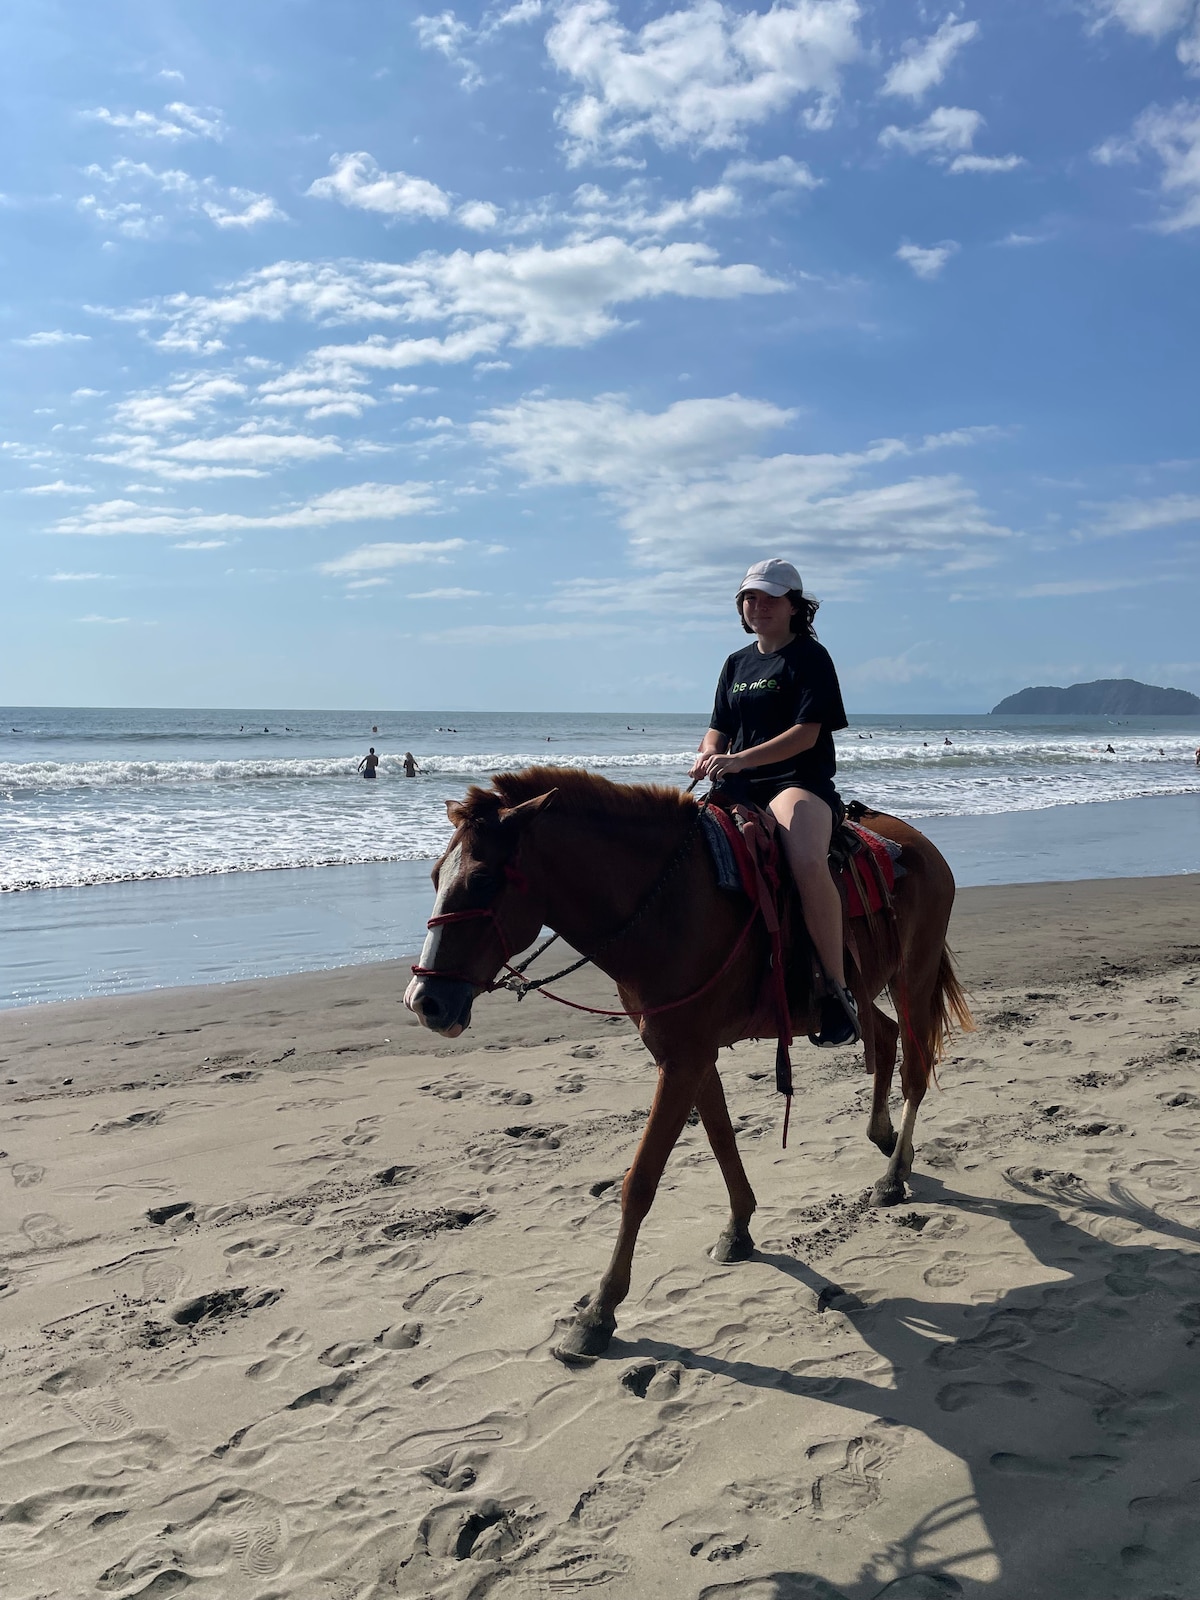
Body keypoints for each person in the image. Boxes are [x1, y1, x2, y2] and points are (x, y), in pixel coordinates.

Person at [690, 558, 859, 1049]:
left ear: (794, 606)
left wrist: (739, 759)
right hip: (738, 785)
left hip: (796, 783)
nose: (757, 606)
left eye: (769, 598)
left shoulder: (810, 657)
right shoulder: (736, 663)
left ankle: (836, 990)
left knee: (805, 859)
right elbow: (718, 727)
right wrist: (708, 755)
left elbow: (806, 734)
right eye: (749, 598)